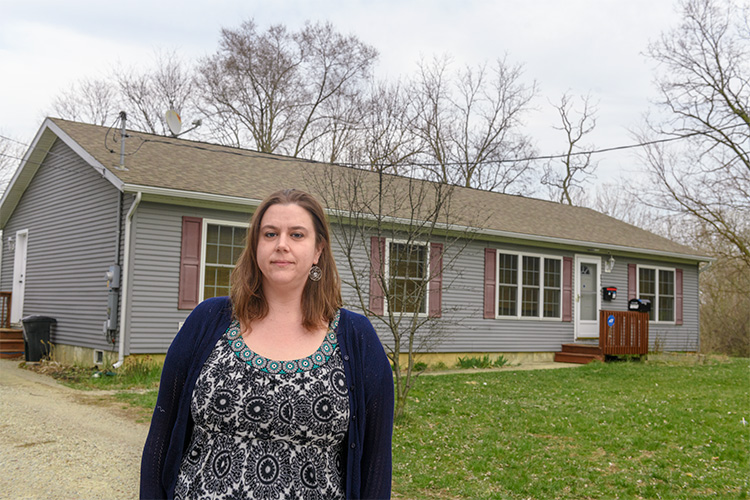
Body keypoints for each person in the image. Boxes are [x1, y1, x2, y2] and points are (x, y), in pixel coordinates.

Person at [140, 189, 394, 500]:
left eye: (297, 235)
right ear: (256, 246)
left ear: (318, 251)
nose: (281, 244)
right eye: (270, 233)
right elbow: (160, 438)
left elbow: (376, 463)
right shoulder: (208, 321)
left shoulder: (356, 338)